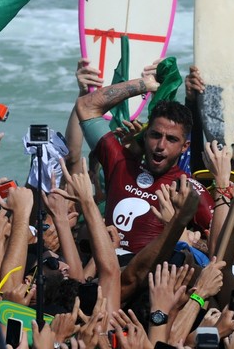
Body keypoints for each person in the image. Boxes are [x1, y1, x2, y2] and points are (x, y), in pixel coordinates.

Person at [75, 67, 214, 253]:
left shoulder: (189, 189)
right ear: (145, 134)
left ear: (184, 147)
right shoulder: (121, 162)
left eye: (171, 139)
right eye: (156, 135)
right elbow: (86, 106)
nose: (161, 145)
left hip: (149, 278)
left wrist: (193, 244)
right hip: (103, 270)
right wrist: (145, 84)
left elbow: (223, 246)